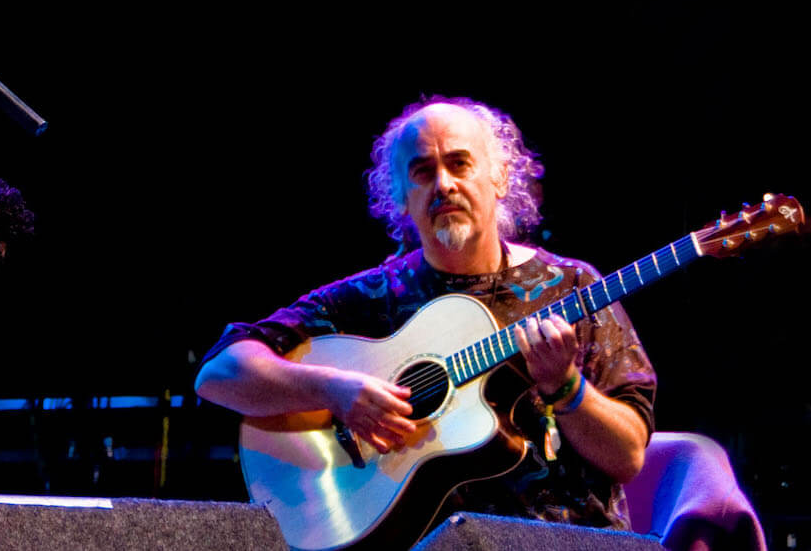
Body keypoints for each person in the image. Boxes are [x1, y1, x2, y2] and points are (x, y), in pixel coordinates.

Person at [195, 96, 656, 532]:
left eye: (459, 163)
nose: (443, 184)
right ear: (401, 199)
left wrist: (567, 386)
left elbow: (628, 457)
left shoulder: (573, 286)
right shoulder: (372, 296)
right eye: (422, 171)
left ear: (498, 179)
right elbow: (218, 374)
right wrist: (334, 390)